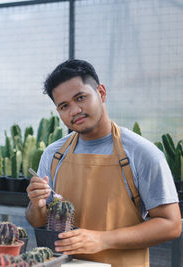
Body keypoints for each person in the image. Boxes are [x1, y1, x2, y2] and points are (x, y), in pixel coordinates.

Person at [25, 59, 181, 267]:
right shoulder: (54, 155)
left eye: (81, 98)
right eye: (64, 106)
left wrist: (101, 239)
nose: (74, 111)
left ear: (102, 93)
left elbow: (171, 225)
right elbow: (37, 220)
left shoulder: (141, 153)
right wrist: (37, 204)